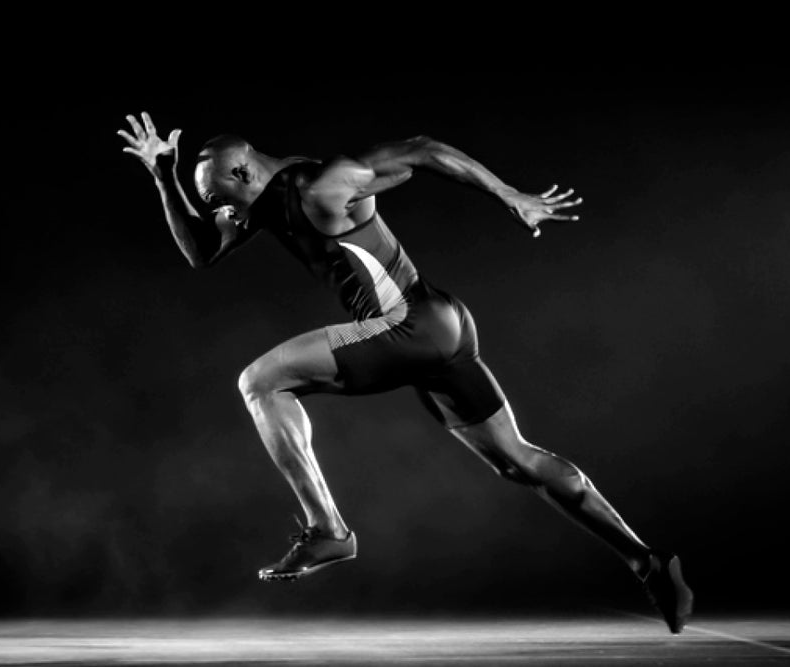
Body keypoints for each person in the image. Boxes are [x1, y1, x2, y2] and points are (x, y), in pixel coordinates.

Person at [118, 112, 694, 633]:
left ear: (243, 173)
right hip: (442, 328)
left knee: (260, 381)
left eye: (225, 201)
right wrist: (164, 176)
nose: (229, 216)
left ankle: (329, 532)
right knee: (518, 461)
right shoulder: (261, 195)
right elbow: (200, 251)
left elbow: (421, 148)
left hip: (411, 326)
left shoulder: (323, 184)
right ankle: (646, 560)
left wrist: (506, 193)